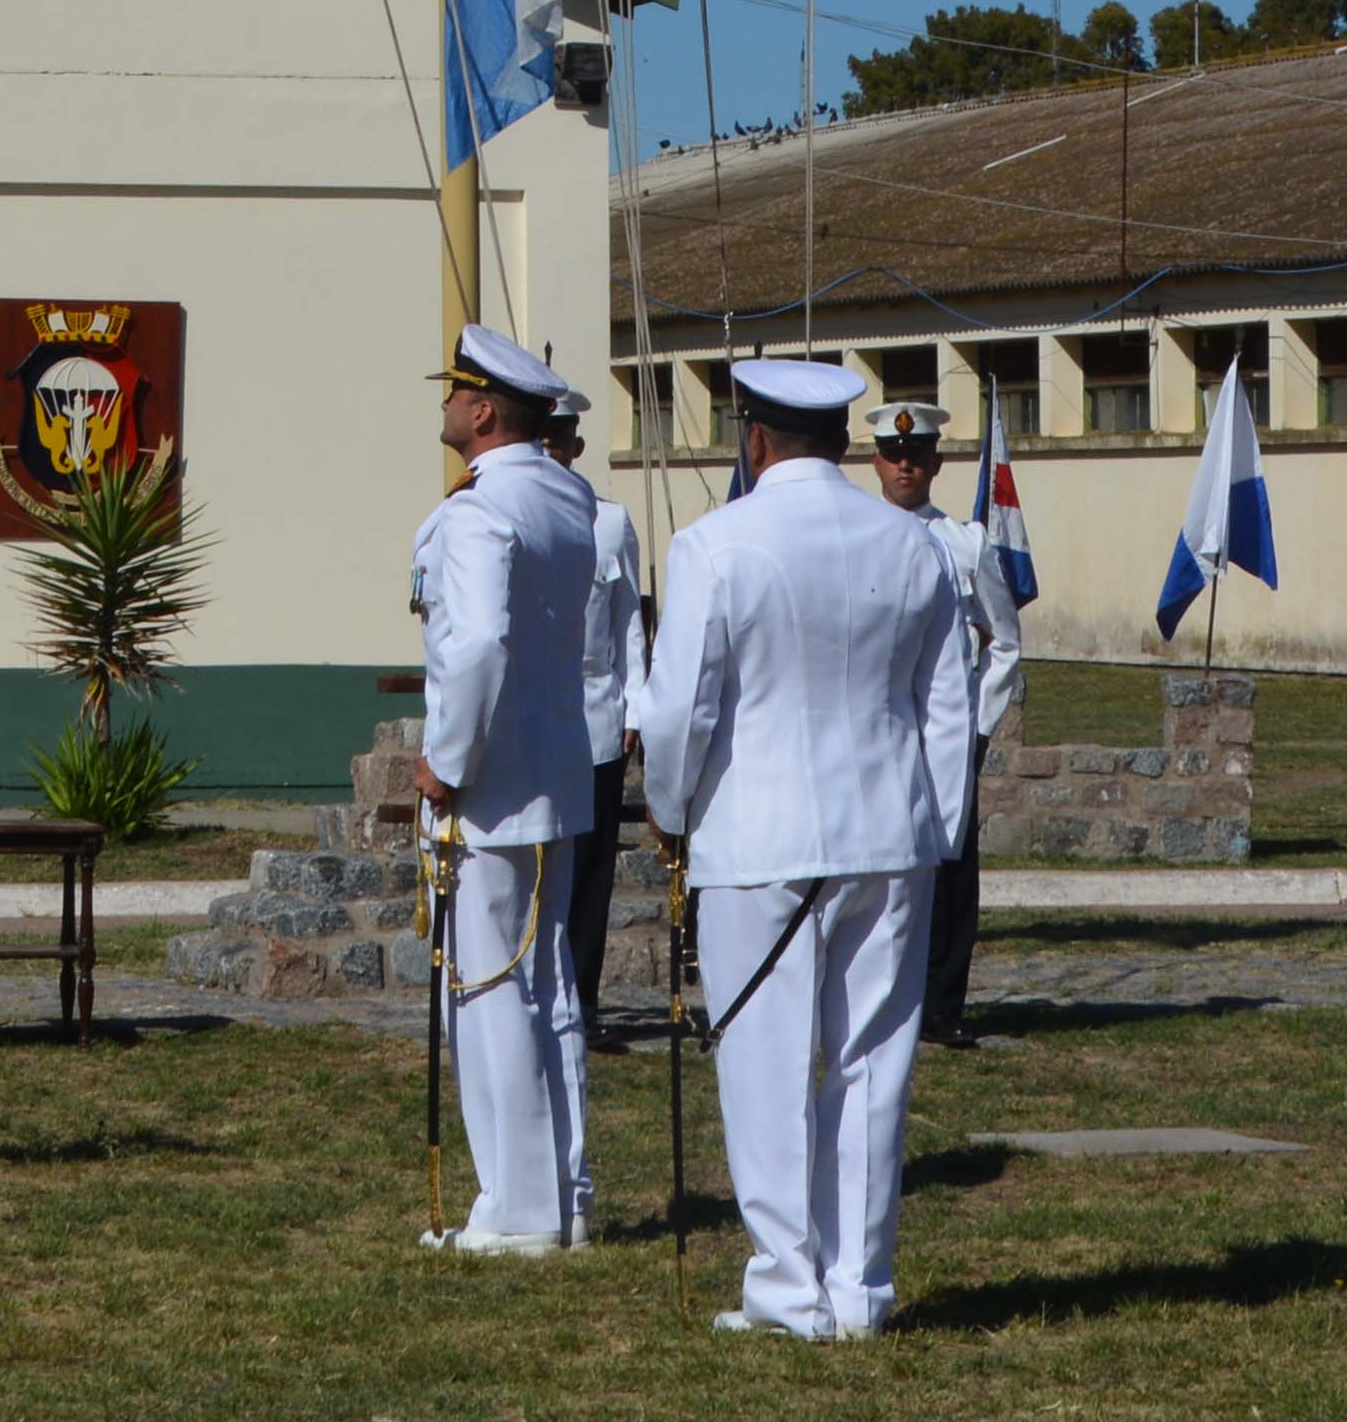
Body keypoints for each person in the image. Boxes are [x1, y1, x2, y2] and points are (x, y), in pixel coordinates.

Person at [645, 354, 987, 1344]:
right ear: (842, 440)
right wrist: (935, 827)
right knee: (870, 1063)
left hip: (759, 838)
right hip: (888, 833)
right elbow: (944, 704)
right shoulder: (913, 545)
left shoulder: (715, 544)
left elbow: (680, 710)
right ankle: (858, 1287)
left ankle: (787, 1288)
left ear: (752, 438)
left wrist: (668, 806)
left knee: (763, 1061)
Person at [411, 324, 607, 1255]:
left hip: (488, 787)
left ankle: (518, 1210)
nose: (445, 404)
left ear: (484, 410)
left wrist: (447, 760)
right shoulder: (569, 500)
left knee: (489, 990)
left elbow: (478, 643)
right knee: (549, 986)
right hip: (559, 775)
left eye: (455, 392)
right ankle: (564, 1193)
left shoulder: (479, 512)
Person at [862, 394, 1029, 1046]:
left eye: (918, 457)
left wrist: (981, 723)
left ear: (936, 464)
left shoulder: (966, 543)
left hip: (947, 733)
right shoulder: (855, 536)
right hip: (877, 723)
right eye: (895, 455)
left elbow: (1005, 640)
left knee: (951, 869)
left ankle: (940, 1006)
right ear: (875, 460)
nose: (905, 466)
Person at [528, 358, 645, 1236]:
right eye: (549, 439)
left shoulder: (609, 526)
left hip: (600, 718)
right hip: (542, 720)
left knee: (596, 873)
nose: (560, 451)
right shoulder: (526, 518)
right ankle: (542, 998)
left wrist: (637, 707)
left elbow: (631, 625)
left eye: (568, 440)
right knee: (544, 872)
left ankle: (590, 1003)